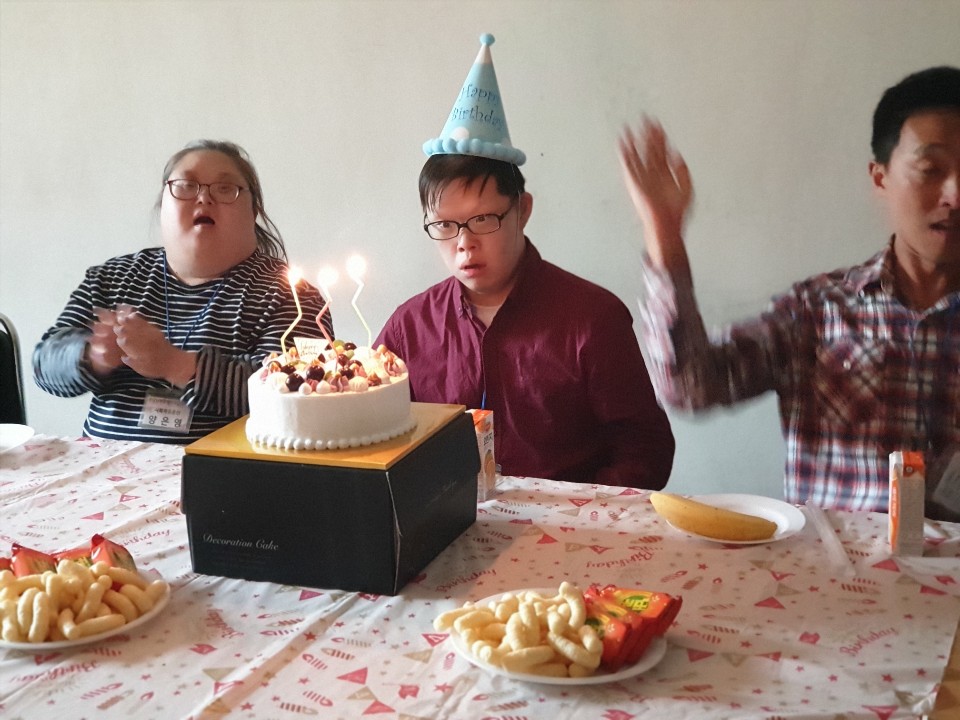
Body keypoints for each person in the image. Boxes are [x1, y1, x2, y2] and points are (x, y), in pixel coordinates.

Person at [620, 66, 960, 515]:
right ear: (881, 177)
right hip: (837, 558)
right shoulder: (817, 311)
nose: (954, 194)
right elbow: (689, 387)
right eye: (931, 170)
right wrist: (664, 235)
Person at [377, 35, 675, 488]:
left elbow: (645, 448)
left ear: (523, 210)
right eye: (445, 225)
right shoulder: (408, 328)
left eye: (483, 219)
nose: (464, 244)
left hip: (568, 525)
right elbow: (378, 436)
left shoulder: (592, 318)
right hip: (446, 523)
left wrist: (580, 511)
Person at [34, 140, 332, 442]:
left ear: (253, 210)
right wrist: (91, 355)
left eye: (225, 189)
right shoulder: (113, 277)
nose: (204, 198)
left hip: (218, 468)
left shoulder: (292, 294)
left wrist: (176, 365)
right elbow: (44, 366)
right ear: (162, 204)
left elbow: (297, 394)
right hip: (102, 465)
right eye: (186, 186)